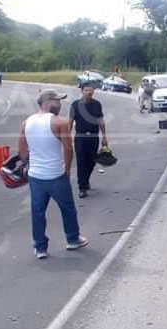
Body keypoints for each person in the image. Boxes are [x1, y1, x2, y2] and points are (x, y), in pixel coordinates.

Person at [18, 89, 89, 259]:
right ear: (48, 102)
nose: (60, 104)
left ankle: (40, 247)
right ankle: (72, 239)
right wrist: (67, 169)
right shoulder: (60, 122)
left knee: (37, 212)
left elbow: (22, 153)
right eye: (58, 101)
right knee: (68, 209)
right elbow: (68, 149)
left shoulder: (26, 123)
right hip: (56, 174)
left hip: (36, 176)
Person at [69, 85, 108, 198]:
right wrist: (67, 136)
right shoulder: (75, 105)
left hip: (93, 136)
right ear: (82, 91)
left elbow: (100, 120)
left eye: (91, 90)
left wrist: (104, 136)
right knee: (81, 161)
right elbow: (70, 121)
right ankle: (82, 187)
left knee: (91, 161)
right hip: (80, 137)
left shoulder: (97, 104)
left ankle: (85, 180)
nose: (89, 92)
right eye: (86, 90)